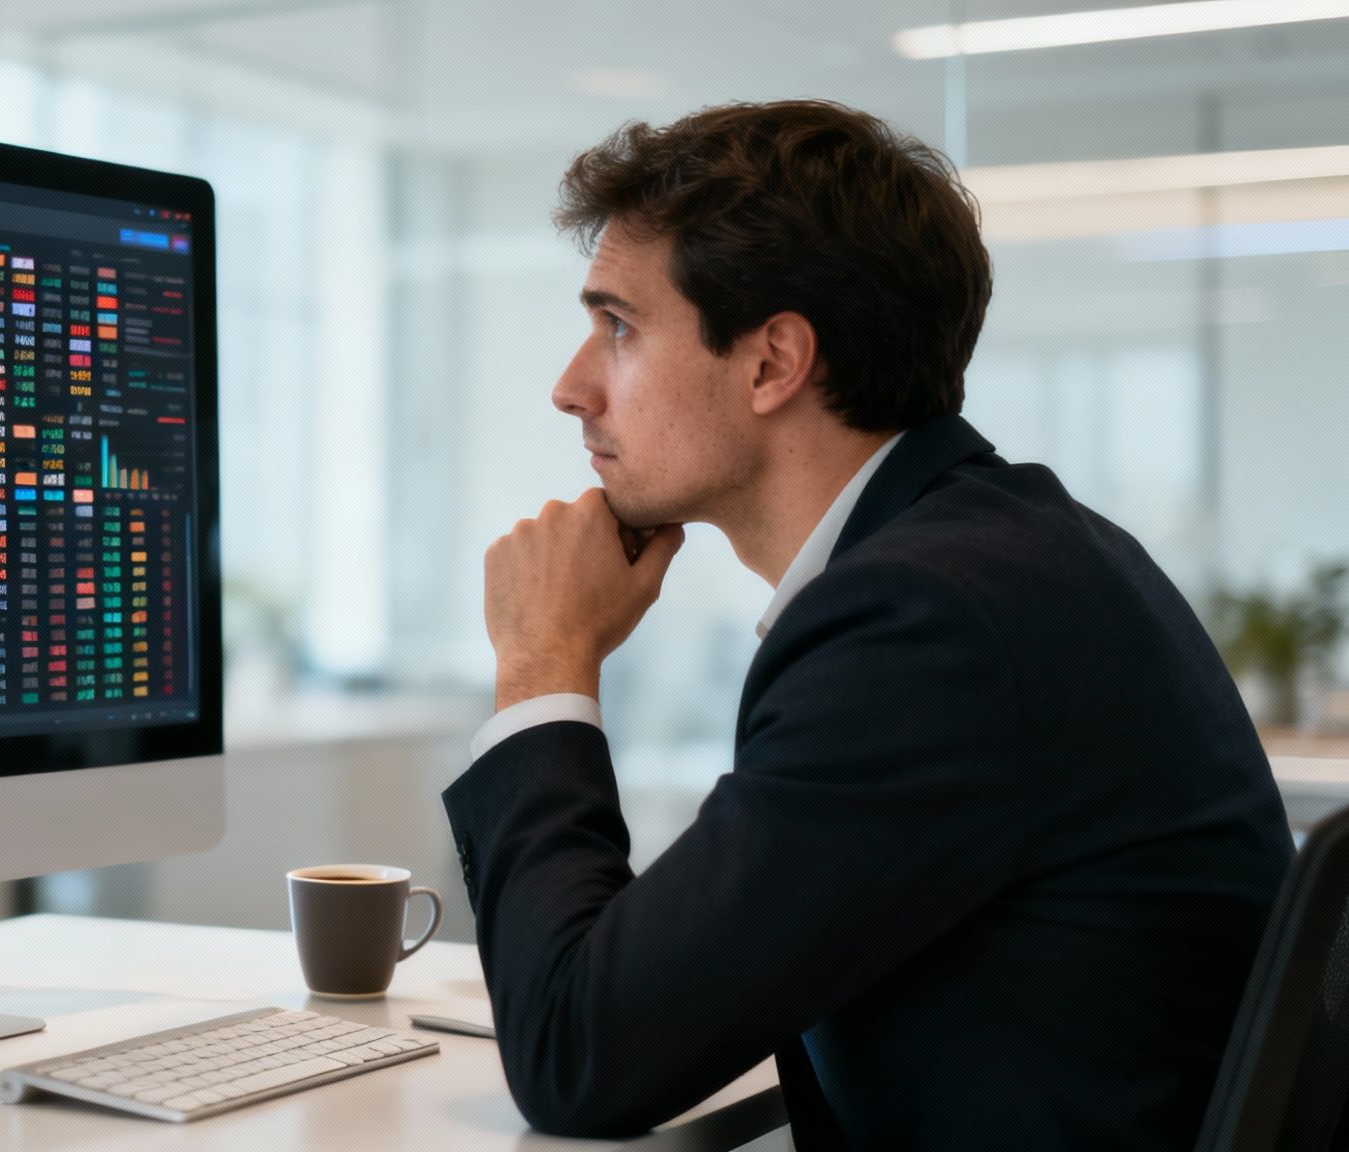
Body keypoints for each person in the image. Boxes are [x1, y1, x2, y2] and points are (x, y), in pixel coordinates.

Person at [441, 100, 1292, 1150]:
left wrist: (541, 664)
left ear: (770, 363)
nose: (570, 388)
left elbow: (581, 1056)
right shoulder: (1013, 550)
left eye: (617, 326)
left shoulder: (921, 623)